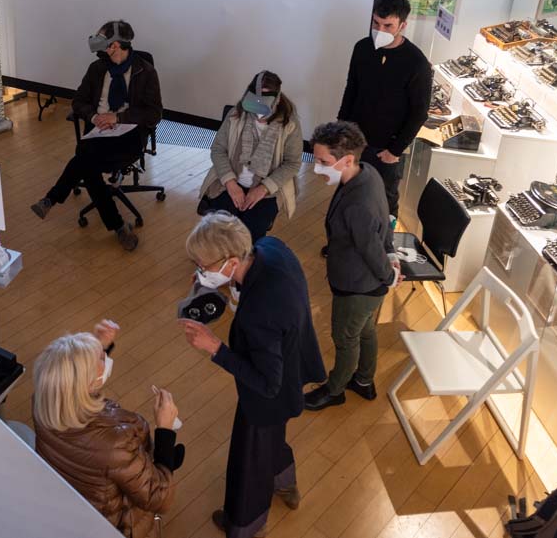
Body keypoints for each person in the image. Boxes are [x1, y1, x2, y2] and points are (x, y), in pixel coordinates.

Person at [180, 212, 325, 537]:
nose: (202, 271)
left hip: (268, 393)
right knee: (272, 438)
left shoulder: (259, 312)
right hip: (294, 362)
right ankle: (285, 484)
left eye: (205, 266)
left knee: (248, 461)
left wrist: (214, 347)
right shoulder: (270, 247)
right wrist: (216, 282)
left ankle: (244, 525)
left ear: (231, 260)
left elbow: (266, 384)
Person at [34, 319, 182, 538]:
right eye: (101, 358)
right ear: (89, 382)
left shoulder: (45, 400)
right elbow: (159, 497)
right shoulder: (115, 442)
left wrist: (95, 347)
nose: (105, 357)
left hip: (75, 504)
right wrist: (165, 431)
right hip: (116, 522)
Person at [30, 20, 162, 252]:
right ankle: (119, 227)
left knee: (84, 159)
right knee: (88, 161)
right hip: (98, 131)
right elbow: (78, 101)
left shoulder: (146, 72)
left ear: (115, 45)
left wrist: (118, 119)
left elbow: (154, 113)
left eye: (104, 40)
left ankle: (52, 198)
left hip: (128, 134)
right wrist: (94, 118)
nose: (99, 45)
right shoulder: (97, 69)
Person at [303, 121, 399, 411]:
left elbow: (370, 248)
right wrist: (391, 255)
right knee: (365, 329)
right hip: (369, 285)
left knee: (344, 337)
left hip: (357, 284)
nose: (317, 168)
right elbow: (385, 221)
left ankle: (335, 390)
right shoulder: (368, 173)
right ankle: (364, 380)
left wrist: (389, 275)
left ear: (346, 159)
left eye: (323, 162)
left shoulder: (358, 204)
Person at [337, 0, 432, 219]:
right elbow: (352, 88)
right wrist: (341, 128)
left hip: (386, 148)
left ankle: (382, 250)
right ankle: (340, 242)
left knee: (384, 202)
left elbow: (419, 112)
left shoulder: (416, 62)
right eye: (376, 23)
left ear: (402, 25)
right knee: (346, 193)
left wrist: (395, 150)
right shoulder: (362, 48)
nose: (380, 30)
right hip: (354, 140)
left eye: (388, 25)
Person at [197, 70, 302, 243]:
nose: (259, 114)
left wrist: (263, 189)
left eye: (265, 106)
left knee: (249, 236)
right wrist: (231, 184)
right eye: (255, 104)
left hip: (266, 191)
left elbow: (292, 164)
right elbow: (218, 149)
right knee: (220, 232)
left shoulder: (290, 124)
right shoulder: (235, 115)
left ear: (277, 100)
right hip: (228, 183)